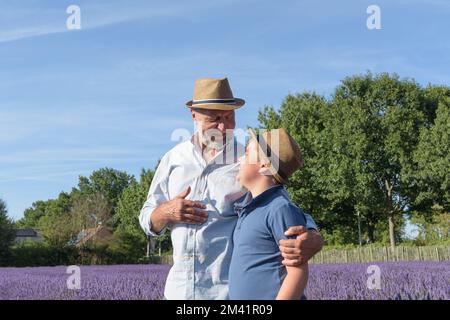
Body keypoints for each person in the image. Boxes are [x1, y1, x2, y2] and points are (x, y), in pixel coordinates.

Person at [139, 77, 323, 299]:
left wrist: (313, 235)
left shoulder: (246, 160)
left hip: (228, 293)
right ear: (194, 115)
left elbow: (280, 204)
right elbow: (147, 215)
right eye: (215, 118)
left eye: (229, 117)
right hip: (180, 291)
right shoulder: (173, 160)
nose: (223, 126)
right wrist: (165, 212)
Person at [229, 128, 309, 300]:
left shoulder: (280, 208)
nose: (240, 159)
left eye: (247, 153)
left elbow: (297, 273)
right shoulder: (249, 209)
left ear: (264, 165)